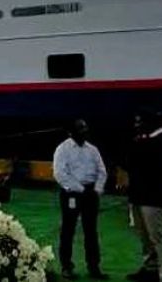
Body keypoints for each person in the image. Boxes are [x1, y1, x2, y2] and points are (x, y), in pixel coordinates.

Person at [125, 111, 162, 282]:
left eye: (139, 121)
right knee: (145, 237)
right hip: (138, 195)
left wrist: (137, 147)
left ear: (151, 122)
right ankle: (150, 268)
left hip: (153, 197)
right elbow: (130, 161)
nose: (136, 125)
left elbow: (149, 165)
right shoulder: (143, 140)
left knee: (159, 236)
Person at [52, 119, 109, 280]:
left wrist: (97, 190)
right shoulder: (63, 149)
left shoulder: (93, 150)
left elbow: (102, 171)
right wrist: (81, 189)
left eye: (85, 129)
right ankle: (66, 266)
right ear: (71, 132)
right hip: (72, 194)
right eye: (80, 130)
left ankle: (94, 266)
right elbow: (60, 174)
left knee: (91, 231)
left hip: (91, 194)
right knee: (68, 230)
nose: (84, 132)